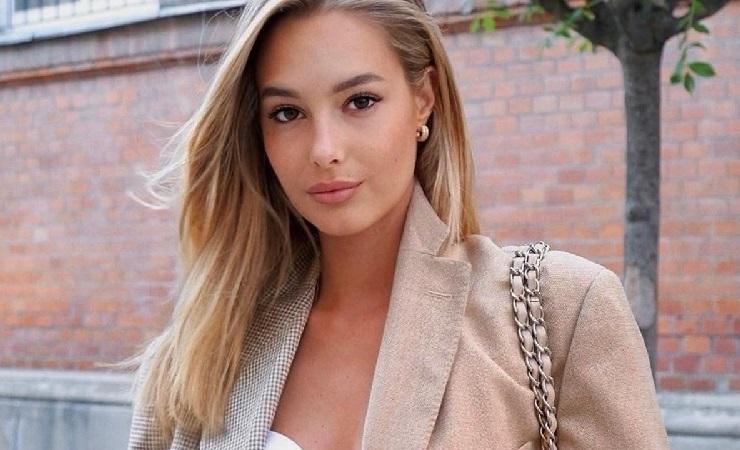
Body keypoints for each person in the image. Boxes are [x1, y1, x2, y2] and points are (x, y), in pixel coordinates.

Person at [125, 0, 670, 449]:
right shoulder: (199, 354)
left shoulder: (561, 313)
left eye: (359, 101)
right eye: (287, 113)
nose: (324, 150)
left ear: (422, 100)